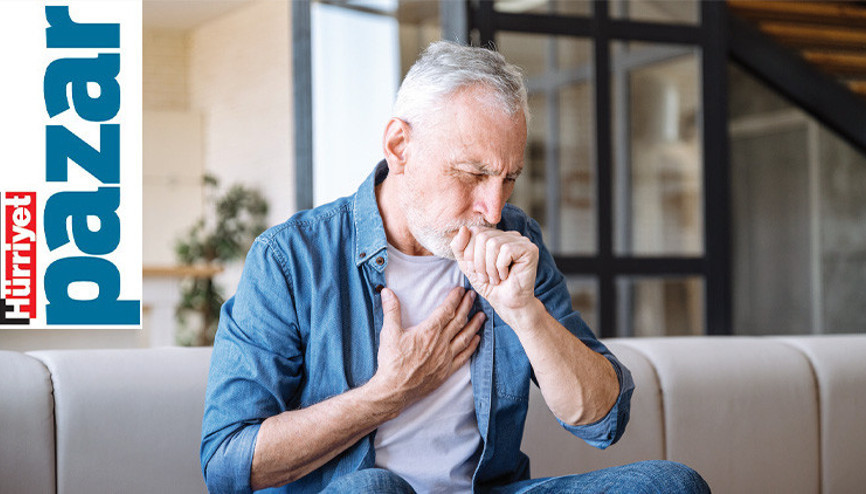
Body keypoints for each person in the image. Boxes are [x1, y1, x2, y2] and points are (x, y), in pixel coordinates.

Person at [200, 41, 710, 494]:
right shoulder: (291, 258)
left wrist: (526, 314)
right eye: (472, 174)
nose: (492, 208)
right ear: (399, 146)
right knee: (374, 489)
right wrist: (386, 394)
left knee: (671, 485)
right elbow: (227, 462)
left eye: (508, 179)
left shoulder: (516, 241)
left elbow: (603, 419)